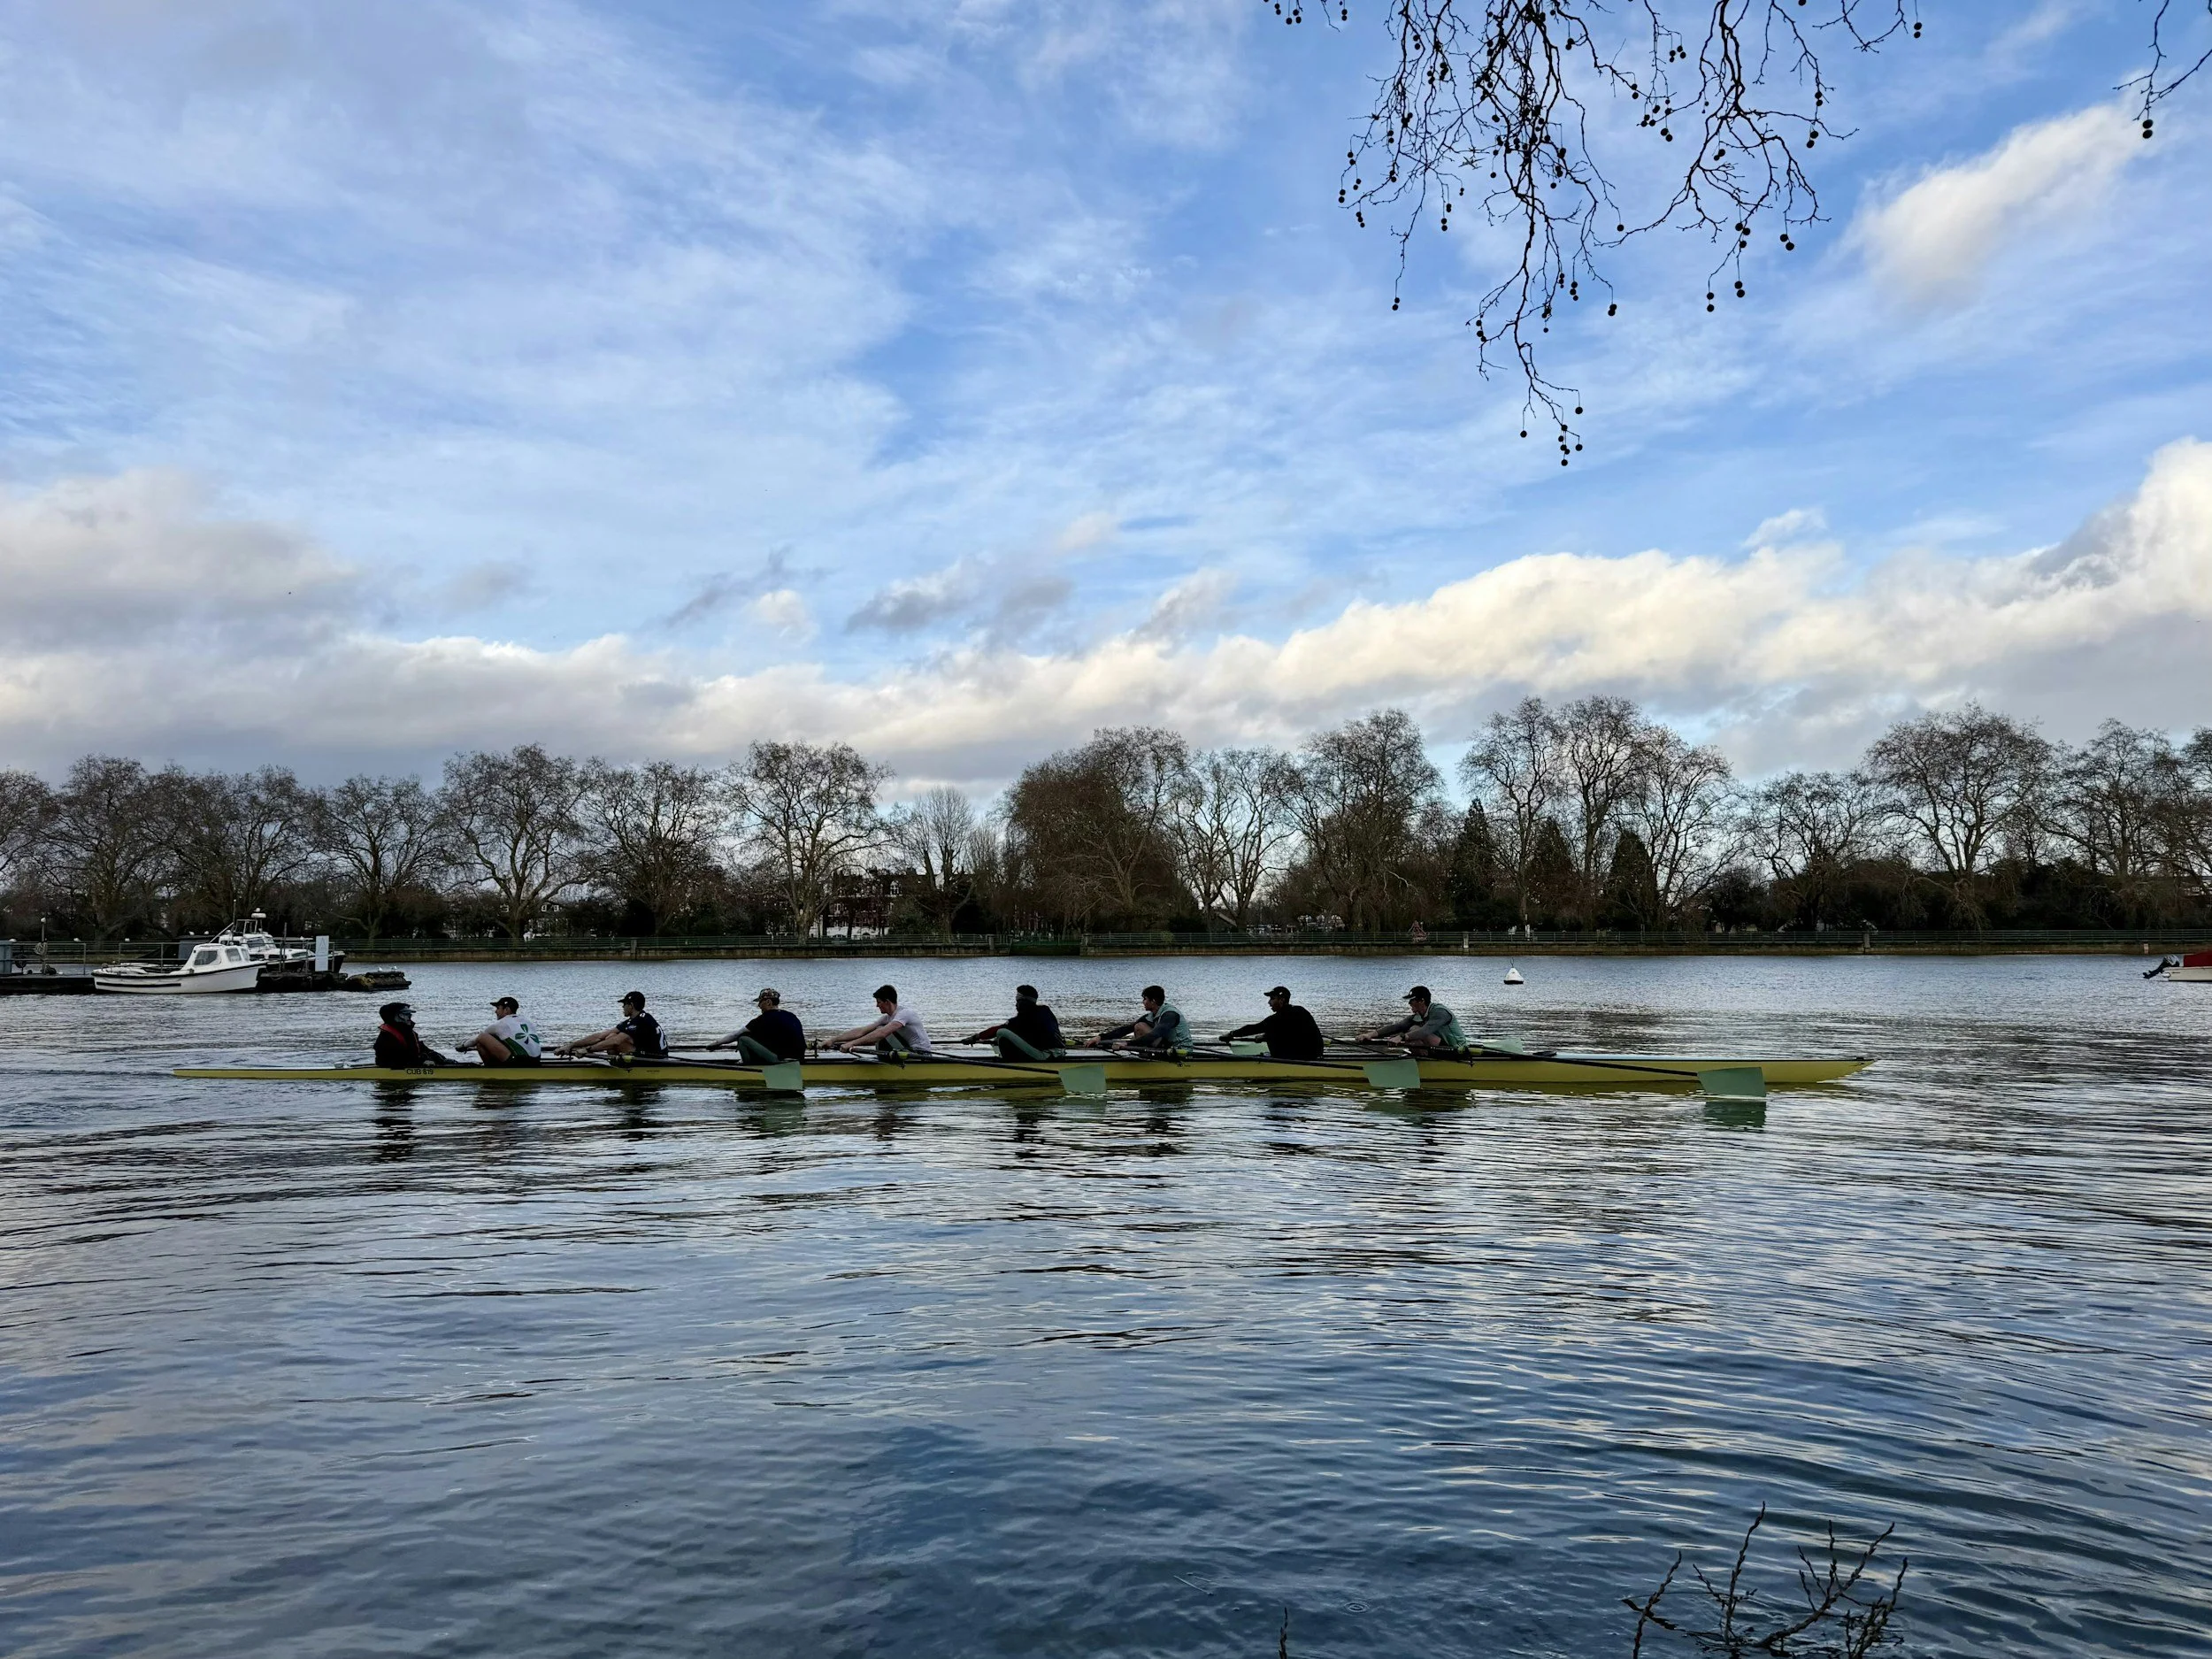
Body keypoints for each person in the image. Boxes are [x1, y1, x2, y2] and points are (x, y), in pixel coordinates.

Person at [1219, 986, 1325, 1061]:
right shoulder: (1300, 1010)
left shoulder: (1279, 1018)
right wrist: (1266, 1036)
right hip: (1313, 1055)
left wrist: (1231, 1034)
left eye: (1272, 999)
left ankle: (1275, 1060)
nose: (1269, 1002)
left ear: (1282, 1000)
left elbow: (1254, 1028)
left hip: (1301, 1058)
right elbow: (1290, 1032)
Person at [1356, 984, 1468, 1056]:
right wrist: (1370, 1035)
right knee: (1412, 1037)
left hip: (1456, 1050)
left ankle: (1430, 1064)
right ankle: (1423, 1062)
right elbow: (1398, 1027)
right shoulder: (1418, 1015)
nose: (1409, 1003)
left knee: (1414, 1030)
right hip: (1438, 1048)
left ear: (1422, 1001)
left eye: (1412, 1001)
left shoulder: (1440, 1012)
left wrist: (1401, 1037)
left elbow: (1425, 1031)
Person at [963, 984, 1066, 1061]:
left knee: (1002, 1032)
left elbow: (998, 1029)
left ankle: (1007, 1062)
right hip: (1058, 1053)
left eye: (1018, 1000)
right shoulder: (1045, 1010)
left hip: (1046, 1056)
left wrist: (976, 1037)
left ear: (1024, 1002)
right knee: (1004, 1035)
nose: (1016, 1004)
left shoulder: (1024, 1018)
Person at [828, 984, 933, 1056]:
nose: (877, 1006)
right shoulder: (887, 1018)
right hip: (907, 1051)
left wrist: (851, 1044)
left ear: (887, 1002)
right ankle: (883, 1060)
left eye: (879, 1002)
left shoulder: (905, 1014)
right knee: (878, 1029)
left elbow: (882, 1033)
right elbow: (861, 1031)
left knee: (880, 1030)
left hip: (921, 1054)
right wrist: (833, 1040)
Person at [559, 990, 669, 1058]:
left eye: (624, 1004)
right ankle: (621, 1064)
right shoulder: (634, 1020)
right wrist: (571, 1045)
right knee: (610, 1036)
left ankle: (625, 1069)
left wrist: (587, 1050)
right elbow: (600, 1036)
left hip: (656, 1058)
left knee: (615, 1041)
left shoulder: (641, 1021)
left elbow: (616, 1041)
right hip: (646, 1053)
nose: (622, 1007)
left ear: (631, 1006)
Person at [709, 987, 806, 1064]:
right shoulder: (791, 1016)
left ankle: (748, 1066)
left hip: (782, 1060)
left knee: (742, 1038)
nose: (759, 1006)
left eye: (760, 1002)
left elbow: (736, 1035)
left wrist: (716, 1044)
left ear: (768, 1002)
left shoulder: (764, 1018)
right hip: (799, 1058)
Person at [1094, 984, 1192, 1054]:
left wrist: (1127, 1043)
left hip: (1181, 1050)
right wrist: (1100, 1037)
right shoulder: (1151, 1015)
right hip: (1167, 1046)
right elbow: (1127, 1029)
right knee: (1138, 1026)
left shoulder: (1170, 1015)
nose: (1143, 1002)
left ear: (1153, 1001)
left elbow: (1155, 1035)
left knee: (1141, 1027)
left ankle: (1148, 1059)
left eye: (1145, 999)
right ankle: (1146, 1056)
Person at [463, 995, 544, 1066]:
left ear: (506, 1010)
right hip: (536, 1060)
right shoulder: (527, 1022)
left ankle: (491, 1070)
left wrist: (463, 1046)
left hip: (518, 1062)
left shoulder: (502, 1023)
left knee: (482, 1038)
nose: (495, 1011)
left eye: (498, 1008)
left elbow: (479, 1037)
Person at [374, 1002, 455, 1068]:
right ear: (394, 1017)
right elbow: (398, 1059)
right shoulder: (386, 1037)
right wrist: (422, 1061)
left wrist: (442, 1059)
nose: (410, 1016)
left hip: (410, 1063)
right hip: (393, 1067)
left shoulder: (409, 1033)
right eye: (406, 1014)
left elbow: (422, 1049)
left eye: (409, 1014)